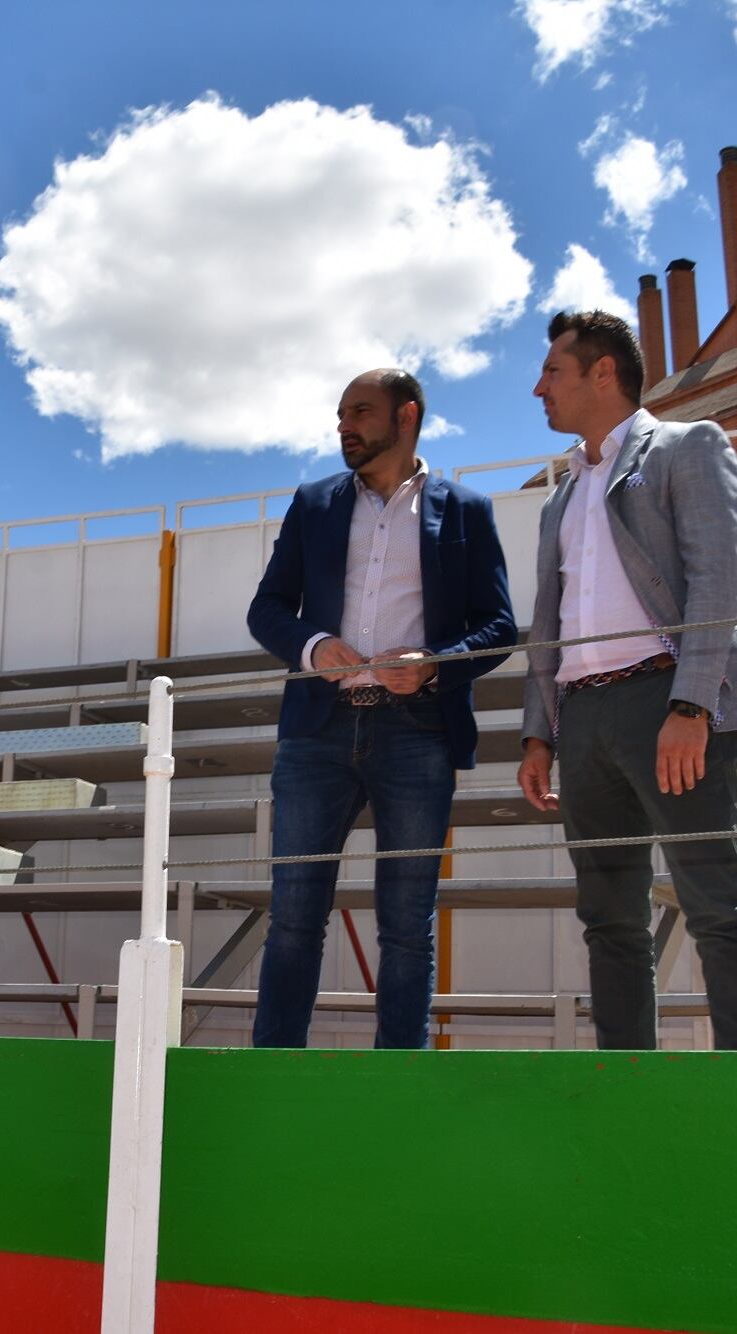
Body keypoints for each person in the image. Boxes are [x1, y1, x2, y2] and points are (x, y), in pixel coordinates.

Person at [516, 310, 737, 1050]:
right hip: (585, 719)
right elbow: (549, 622)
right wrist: (540, 733)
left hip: (671, 703)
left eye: (553, 371)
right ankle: (627, 1080)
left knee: (714, 901)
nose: (540, 388)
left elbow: (715, 580)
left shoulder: (689, 446)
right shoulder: (560, 496)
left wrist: (692, 704)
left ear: (604, 373)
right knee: (609, 919)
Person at [246, 368, 516, 1048]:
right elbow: (267, 608)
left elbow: (499, 627)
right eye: (340, 414)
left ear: (407, 415)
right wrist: (312, 646)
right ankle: (273, 1074)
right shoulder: (312, 505)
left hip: (419, 730)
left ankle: (401, 1081)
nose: (344, 425)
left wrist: (432, 666)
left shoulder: (467, 510)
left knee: (406, 925)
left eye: (360, 411)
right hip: (316, 730)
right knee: (294, 917)